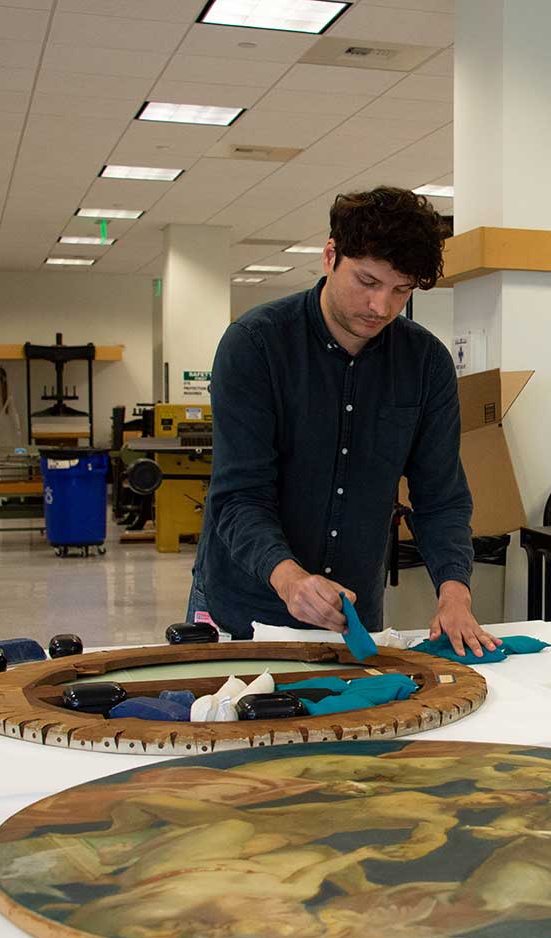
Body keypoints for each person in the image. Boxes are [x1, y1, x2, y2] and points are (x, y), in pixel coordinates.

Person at [187, 186, 500, 657]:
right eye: (368, 282)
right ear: (330, 255)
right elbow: (238, 495)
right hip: (246, 604)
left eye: (401, 290)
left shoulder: (425, 363)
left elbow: (441, 496)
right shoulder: (255, 345)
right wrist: (290, 579)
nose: (382, 307)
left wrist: (454, 591)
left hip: (353, 612)